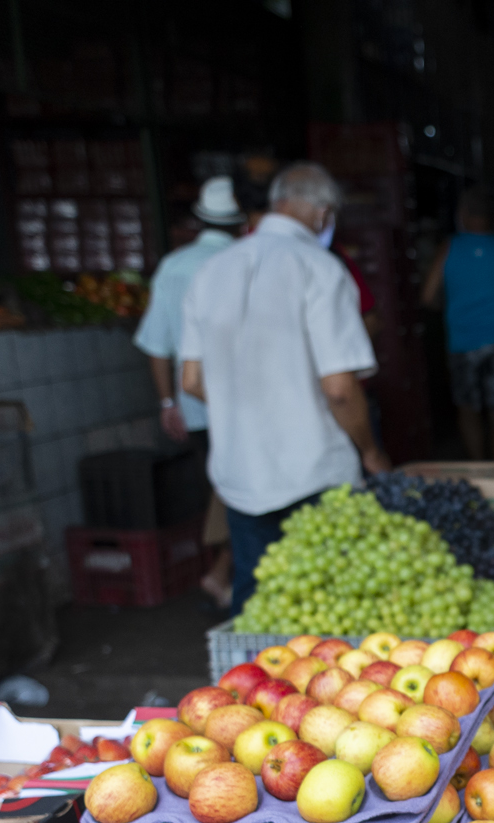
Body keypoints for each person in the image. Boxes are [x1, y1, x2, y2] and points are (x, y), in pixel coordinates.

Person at [179, 162, 387, 615]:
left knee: (260, 610)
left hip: (240, 474)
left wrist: (248, 412)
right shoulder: (321, 268)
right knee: (333, 608)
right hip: (317, 474)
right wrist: (371, 452)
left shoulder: (211, 272)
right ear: (322, 213)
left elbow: (191, 381)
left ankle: (244, 683)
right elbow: (340, 389)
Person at [133, 174, 241, 605]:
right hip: (244, 408)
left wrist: (167, 402)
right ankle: (224, 575)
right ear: (239, 223)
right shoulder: (244, 263)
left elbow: (157, 346)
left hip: (194, 408)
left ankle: (222, 573)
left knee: (220, 489)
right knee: (242, 494)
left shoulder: (174, 266)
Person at [422, 191, 494, 461]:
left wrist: (451, 306)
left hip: (463, 343)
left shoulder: (447, 249)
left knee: (468, 411)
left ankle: (478, 469)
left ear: (462, 216)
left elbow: (427, 297)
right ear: (492, 219)